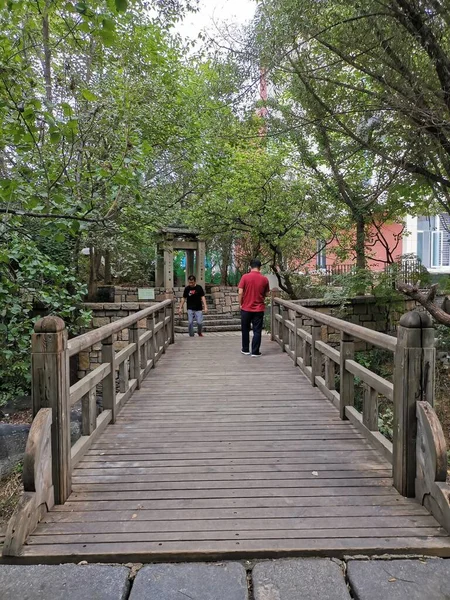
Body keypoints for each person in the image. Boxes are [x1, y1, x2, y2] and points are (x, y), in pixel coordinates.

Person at [238, 259, 270, 357]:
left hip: (246, 308)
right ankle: (255, 352)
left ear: (250, 267)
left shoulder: (245, 277)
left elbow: (240, 292)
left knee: (245, 329)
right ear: (260, 267)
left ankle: (245, 349)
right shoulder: (264, 279)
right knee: (257, 330)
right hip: (259, 308)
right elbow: (267, 294)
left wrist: (241, 304)